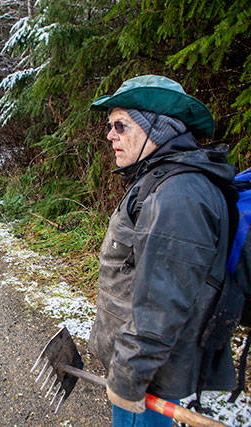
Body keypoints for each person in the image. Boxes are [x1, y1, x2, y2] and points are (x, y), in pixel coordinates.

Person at [88, 75, 237, 426]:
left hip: (148, 376)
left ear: (159, 128)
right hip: (143, 367)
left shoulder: (178, 195)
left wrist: (127, 378)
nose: (111, 135)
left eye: (121, 125)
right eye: (110, 125)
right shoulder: (161, 181)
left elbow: (161, 305)